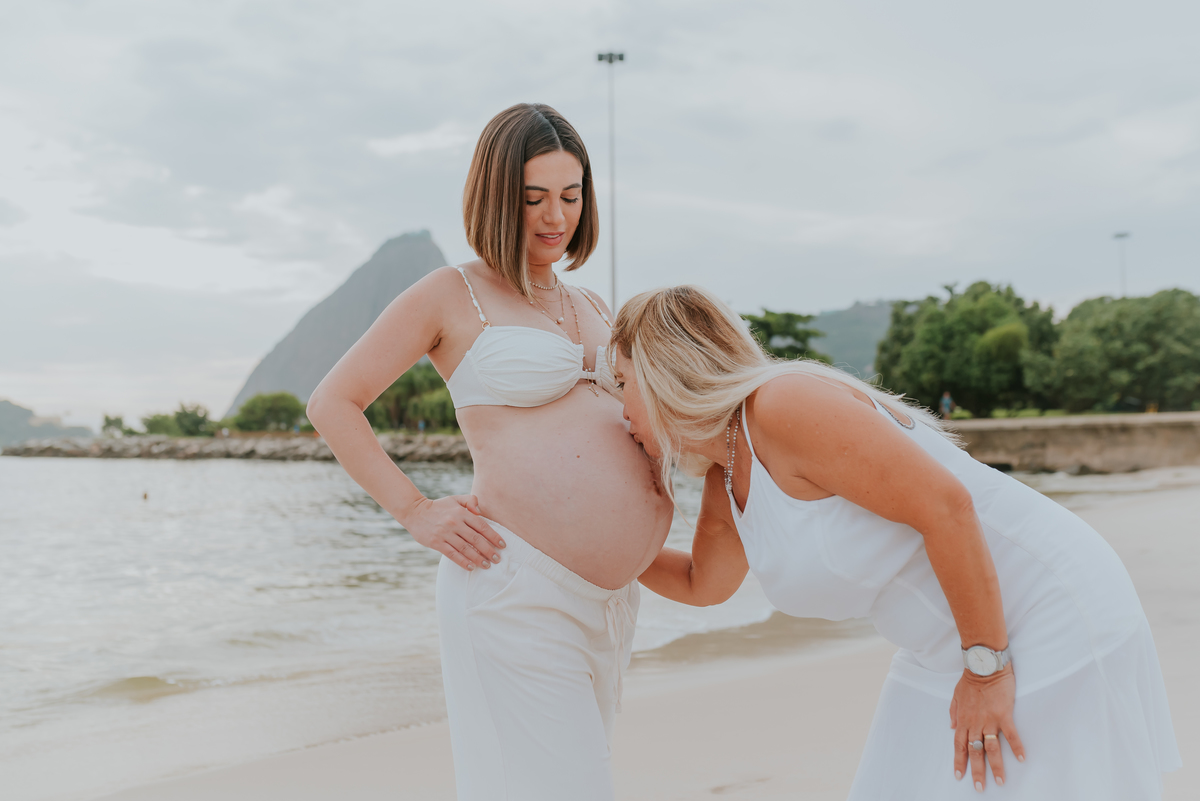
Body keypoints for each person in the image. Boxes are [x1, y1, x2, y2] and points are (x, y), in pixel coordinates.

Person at [610, 285, 1179, 799]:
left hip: (1043, 615)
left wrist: (988, 671)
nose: (617, 408)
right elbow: (701, 583)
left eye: (621, 383)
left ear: (663, 374)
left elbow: (948, 509)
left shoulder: (783, 405)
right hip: (945, 649)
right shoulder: (726, 467)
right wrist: (588, 549)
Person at [307, 104, 673, 800]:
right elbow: (333, 401)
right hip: (517, 589)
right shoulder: (453, 293)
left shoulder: (593, 302)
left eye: (571, 196)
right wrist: (414, 510)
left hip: (609, 601)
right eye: (533, 198)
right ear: (497, 197)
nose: (555, 216)